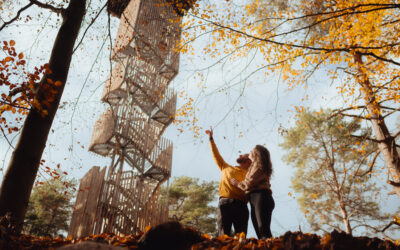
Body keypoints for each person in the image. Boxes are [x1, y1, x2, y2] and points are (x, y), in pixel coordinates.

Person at [207, 127, 251, 236]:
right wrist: (211, 139)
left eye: (244, 155)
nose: (240, 155)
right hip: (225, 204)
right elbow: (216, 155)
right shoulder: (226, 167)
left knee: (241, 236)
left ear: (249, 161)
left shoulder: (251, 174)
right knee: (223, 235)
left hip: (241, 206)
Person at [230, 145, 274, 239]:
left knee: (263, 229)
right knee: (259, 230)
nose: (249, 152)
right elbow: (243, 163)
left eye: (251, 151)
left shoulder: (258, 165)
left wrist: (237, 183)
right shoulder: (253, 166)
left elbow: (249, 182)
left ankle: (272, 246)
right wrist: (244, 157)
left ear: (256, 154)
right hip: (255, 199)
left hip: (261, 197)